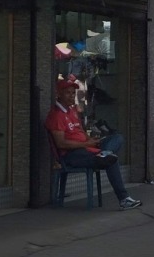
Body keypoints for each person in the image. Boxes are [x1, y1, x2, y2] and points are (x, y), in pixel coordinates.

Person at [47, 75, 142, 209]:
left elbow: (80, 132)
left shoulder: (72, 111)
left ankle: (104, 153)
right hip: (73, 154)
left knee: (117, 137)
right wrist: (86, 144)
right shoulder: (56, 115)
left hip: (87, 148)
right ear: (59, 94)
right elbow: (61, 143)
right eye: (67, 93)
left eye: (73, 93)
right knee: (111, 160)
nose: (71, 96)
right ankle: (124, 198)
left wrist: (90, 140)